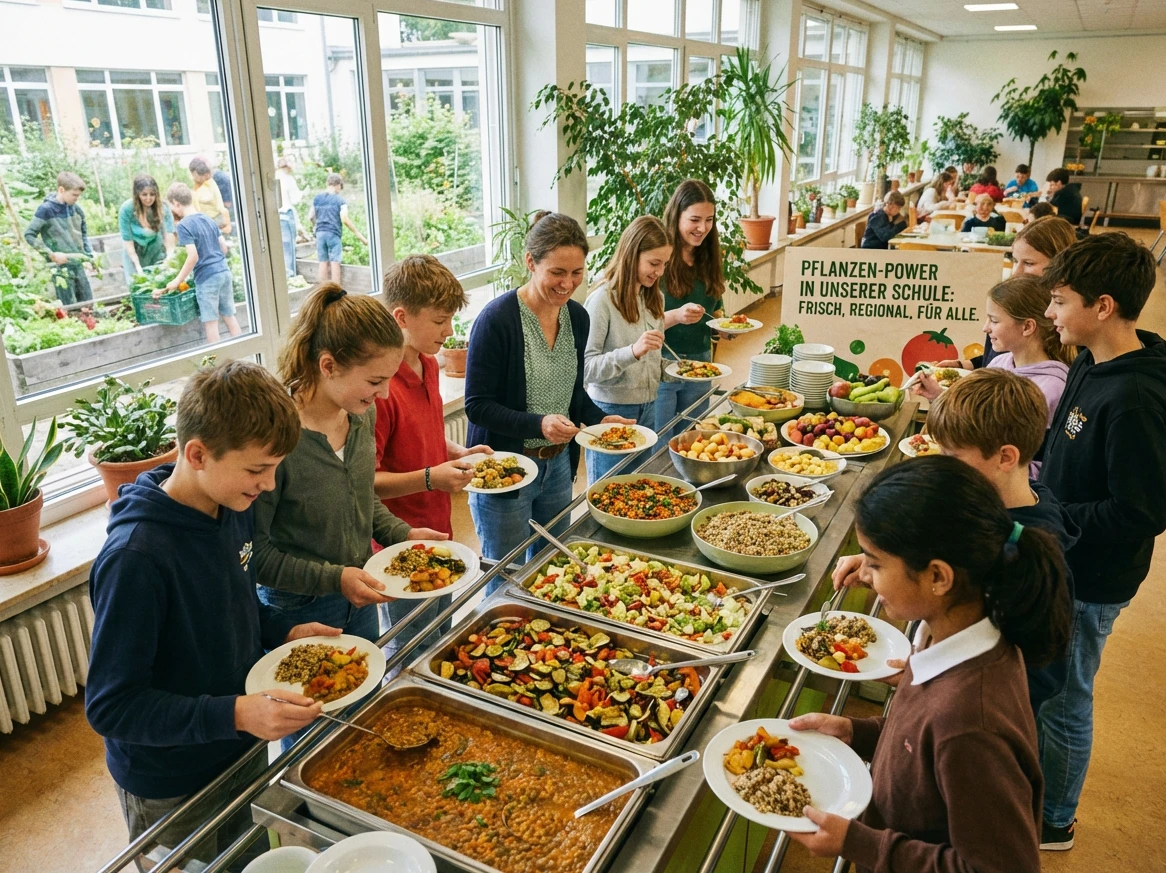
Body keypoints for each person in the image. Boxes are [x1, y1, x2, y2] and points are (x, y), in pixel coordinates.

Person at [85, 361, 332, 870]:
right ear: (196, 453)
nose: (267, 485)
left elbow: (230, 599)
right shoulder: (136, 558)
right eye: (256, 469)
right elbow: (112, 707)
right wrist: (237, 713)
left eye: (274, 469)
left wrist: (281, 629)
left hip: (235, 746)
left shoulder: (231, 503)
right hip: (170, 782)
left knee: (242, 857)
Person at [792, 456, 1070, 872]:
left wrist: (862, 844)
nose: (865, 576)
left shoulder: (971, 721)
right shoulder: (943, 634)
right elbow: (922, 748)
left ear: (938, 577)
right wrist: (856, 732)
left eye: (876, 563)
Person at [1037, 233, 1166, 851]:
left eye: (1060, 301)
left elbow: (1142, 509)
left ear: (1104, 306)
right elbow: (1064, 442)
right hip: (1061, 552)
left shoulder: (1137, 396)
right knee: (1046, 685)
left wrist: (1056, 518)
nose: (1050, 314)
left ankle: (1055, 820)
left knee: (1066, 698)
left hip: (1091, 578)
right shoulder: (1090, 359)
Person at [253, 284, 448, 649]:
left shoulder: (362, 413)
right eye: (375, 381)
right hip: (299, 609)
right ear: (328, 366)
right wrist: (335, 578)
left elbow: (362, 498)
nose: (386, 394)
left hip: (360, 591)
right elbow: (258, 556)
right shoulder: (275, 440)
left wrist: (402, 534)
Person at [464, 212, 632, 573]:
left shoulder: (578, 318)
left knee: (550, 566)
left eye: (576, 273)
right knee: (504, 573)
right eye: (557, 272)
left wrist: (602, 420)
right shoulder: (497, 320)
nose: (567, 283)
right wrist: (538, 424)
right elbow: (477, 407)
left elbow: (573, 394)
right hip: (505, 468)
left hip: (557, 466)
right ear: (530, 262)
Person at [926, 369, 1079, 716]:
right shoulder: (1005, 501)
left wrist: (945, 678)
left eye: (952, 457)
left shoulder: (1028, 557)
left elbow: (1043, 676)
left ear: (1006, 457)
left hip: (981, 718)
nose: (941, 466)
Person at [374, 255, 491, 647]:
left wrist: (458, 450)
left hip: (438, 524)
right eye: (440, 321)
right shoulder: (378, 388)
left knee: (440, 633)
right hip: (399, 540)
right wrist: (430, 477)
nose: (449, 331)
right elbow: (366, 482)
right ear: (402, 317)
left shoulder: (430, 364)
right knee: (411, 643)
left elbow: (424, 433)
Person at [916, 277, 1072, 477]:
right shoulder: (999, 362)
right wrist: (935, 396)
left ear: (1027, 327)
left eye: (994, 320)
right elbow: (977, 427)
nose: (985, 327)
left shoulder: (1052, 389)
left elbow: (1042, 465)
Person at [583, 215, 674, 484]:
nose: (659, 272)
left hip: (649, 405)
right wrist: (632, 351)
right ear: (632, 254)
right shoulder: (602, 299)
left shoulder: (654, 296)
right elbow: (586, 368)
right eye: (654, 263)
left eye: (664, 264)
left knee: (638, 488)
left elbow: (652, 358)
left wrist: (673, 371)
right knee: (607, 490)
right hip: (611, 409)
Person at [937, 216, 1078, 370]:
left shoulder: (1066, 323)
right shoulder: (1017, 298)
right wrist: (967, 365)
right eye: (1015, 261)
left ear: (1058, 264)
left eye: (1029, 263)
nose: (1016, 273)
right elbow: (1003, 355)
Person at [655, 180, 726, 439]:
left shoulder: (709, 256)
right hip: (661, 361)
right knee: (659, 440)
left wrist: (723, 326)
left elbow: (715, 309)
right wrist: (676, 316)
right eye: (695, 219)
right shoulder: (657, 257)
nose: (703, 228)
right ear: (677, 216)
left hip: (701, 360)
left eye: (709, 220)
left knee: (690, 438)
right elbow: (635, 324)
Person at [163, 183, 241, 344]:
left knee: (211, 323)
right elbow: (224, 248)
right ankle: (246, 354)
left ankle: (215, 365)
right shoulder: (208, 219)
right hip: (224, 272)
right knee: (229, 316)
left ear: (176, 203)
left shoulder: (184, 225)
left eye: (172, 207)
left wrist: (178, 280)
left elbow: (193, 256)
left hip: (207, 278)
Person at [23, 171, 93, 305]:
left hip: (78, 264)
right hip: (60, 266)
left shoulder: (76, 210)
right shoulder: (46, 210)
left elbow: (83, 234)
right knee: (68, 305)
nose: (76, 198)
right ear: (61, 190)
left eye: (78, 195)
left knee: (87, 303)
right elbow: (29, 235)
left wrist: (89, 256)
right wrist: (51, 254)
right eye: (74, 195)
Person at [308, 173, 368, 284]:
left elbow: (311, 216)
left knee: (322, 261)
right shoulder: (340, 201)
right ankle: (336, 290)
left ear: (327, 183)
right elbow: (344, 218)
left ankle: (323, 290)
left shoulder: (317, 199)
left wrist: (315, 227)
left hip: (320, 233)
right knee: (335, 261)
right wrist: (359, 234)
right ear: (339, 185)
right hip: (333, 233)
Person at [118, 174, 175, 280]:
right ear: (137, 194)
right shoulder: (127, 210)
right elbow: (128, 242)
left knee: (160, 280)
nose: (149, 199)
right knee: (137, 283)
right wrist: (138, 267)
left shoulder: (163, 208)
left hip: (155, 248)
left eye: (152, 194)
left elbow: (169, 235)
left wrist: (169, 257)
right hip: (134, 249)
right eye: (144, 195)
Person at [188, 156, 232, 235]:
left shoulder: (210, 184)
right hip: (201, 221)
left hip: (213, 220)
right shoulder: (195, 185)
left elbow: (222, 208)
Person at [275, 156, 303, 278]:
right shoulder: (288, 178)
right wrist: (303, 193)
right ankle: (290, 276)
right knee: (289, 248)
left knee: (280, 248)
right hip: (286, 214)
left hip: (277, 215)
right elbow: (296, 199)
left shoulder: (275, 176)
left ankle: (284, 277)